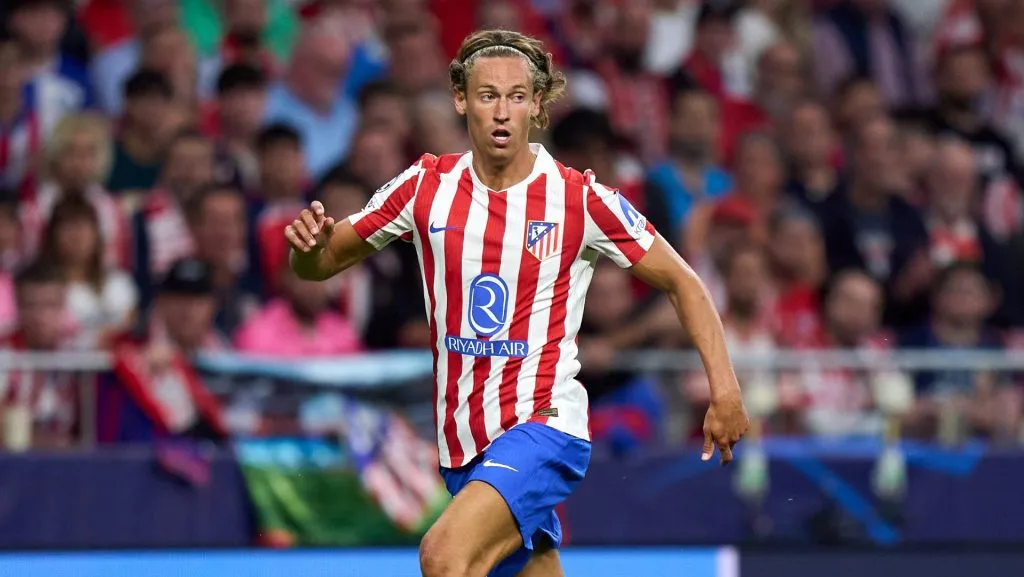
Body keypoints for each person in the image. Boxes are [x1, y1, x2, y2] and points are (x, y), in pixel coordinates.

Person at [284, 29, 748, 577]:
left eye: (517, 96)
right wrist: (307, 251)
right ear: (461, 100)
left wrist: (724, 390)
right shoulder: (424, 188)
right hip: (464, 445)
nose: (502, 112)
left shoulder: (579, 199)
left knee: (444, 557)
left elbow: (683, 282)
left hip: (545, 426)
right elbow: (321, 264)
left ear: (537, 104)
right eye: (487, 96)